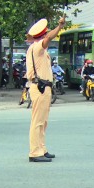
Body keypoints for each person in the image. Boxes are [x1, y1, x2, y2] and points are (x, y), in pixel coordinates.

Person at [25, 17, 65, 163]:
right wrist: (59, 27)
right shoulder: (37, 47)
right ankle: (35, 152)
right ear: (43, 35)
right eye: (47, 33)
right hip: (39, 86)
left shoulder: (38, 49)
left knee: (43, 121)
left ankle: (42, 148)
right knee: (37, 121)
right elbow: (48, 38)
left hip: (43, 86)